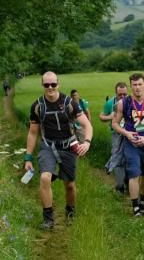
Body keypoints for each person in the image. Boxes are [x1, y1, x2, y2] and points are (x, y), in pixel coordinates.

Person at [23, 71, 93, 230]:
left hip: (68, 147)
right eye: (46, 85)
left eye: (53, 84)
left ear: (58, 84)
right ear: (42, 85)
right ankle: (48, 218)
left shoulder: (70, 103)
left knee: (69, 185)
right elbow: (33, 133)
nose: (50, 87)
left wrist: (87, 142)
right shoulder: (37, 106)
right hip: (47, 146)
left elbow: (87, 125)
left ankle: (70, 211)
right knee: (45, 178)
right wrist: (27, 157)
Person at [112, 73, 144, 216]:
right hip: (131, 144)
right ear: (130, 86)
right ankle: (135, 207)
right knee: (134, 172)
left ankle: (143, 201)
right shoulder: (124, 103)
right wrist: (127, 133)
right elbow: (114, 123)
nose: (137, 88)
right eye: (134, 85)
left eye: (140, 84)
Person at [100, 82, 128, 193]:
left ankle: (127, 181)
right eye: (120, 94)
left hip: (129, 133)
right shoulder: (110, 103)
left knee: (128, 157)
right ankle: (120, 185)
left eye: (125, 94)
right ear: (115, 93)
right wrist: (109, 116)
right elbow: (101, 117)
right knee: (117, 155)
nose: (122, 97)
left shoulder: (131, 101)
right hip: (116, 134)